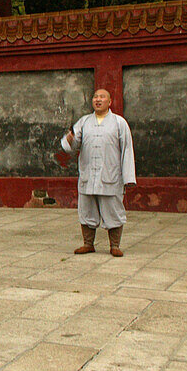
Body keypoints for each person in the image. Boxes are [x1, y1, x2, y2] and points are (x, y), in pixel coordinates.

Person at [61, 88, 136, 256]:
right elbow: (72, 147)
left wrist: (128, 178)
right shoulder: (84, 122)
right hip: (88, 175)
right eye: (95, 97)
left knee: (113, 210)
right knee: (86, 210)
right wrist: (69, 141)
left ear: (109, 102)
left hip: (111, 176)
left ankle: (115, 245)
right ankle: (88, 244)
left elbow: (127, 150)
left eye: (102, 97)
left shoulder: (119, 123)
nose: (98, 99)